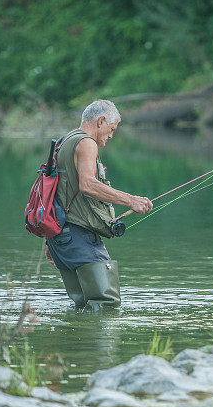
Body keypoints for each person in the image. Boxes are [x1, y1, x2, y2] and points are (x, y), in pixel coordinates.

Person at [46, 100, 152, 312]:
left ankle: (77, 345)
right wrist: (131, 200)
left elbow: (52, 195)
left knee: (82, 305)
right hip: (79, 237)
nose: (111, 135)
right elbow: (88, 185)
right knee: (106, 305)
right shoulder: (86, 143)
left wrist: (49, 242)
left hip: (60, 239)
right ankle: (94, 346)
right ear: (101, 121)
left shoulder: (63, 142)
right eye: (111, 129)